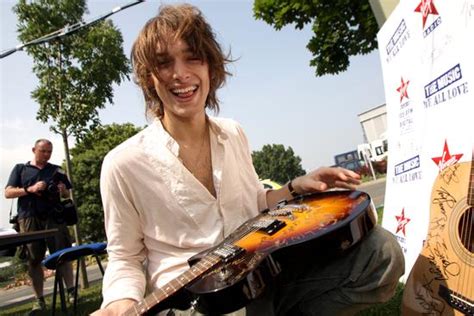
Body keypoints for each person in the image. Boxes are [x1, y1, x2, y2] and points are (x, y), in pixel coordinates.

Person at [93, 4, 404, 315]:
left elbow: (255, 202)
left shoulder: (234, 133)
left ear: (210, 67)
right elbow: (125, 256)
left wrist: (296, 187)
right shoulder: (123, 164)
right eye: (164, 63)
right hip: (198, 303)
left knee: (383, 254)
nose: (180, 74)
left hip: (264, 274)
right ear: (150, 78)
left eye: (193, 57)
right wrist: (120, 303)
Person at [4, 139, 76, 312]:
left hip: (54, 216)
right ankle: (39, 300)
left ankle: (71, 291)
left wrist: (62, 190)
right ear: (34, 150)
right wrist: (30, 189)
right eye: (43, 151)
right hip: (29, 217)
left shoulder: (56, 170)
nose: (46, 155)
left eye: (49, 152)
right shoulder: (21, 169)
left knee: (63, 254)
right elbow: (8, 192)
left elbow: (67, 192)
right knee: (34, 259)